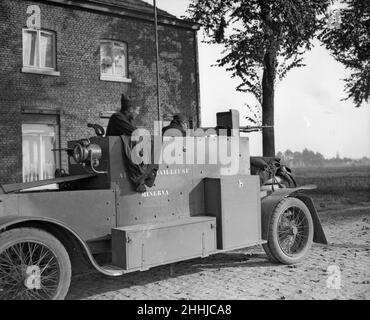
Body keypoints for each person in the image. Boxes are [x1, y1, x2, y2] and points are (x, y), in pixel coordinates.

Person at [106, 94, 158, 192]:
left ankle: (146, 175)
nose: (138, 113)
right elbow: (136, 133)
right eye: (137, 110)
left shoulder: (126, 119)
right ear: (130, 109)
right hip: (115, 157)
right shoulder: (117, 117)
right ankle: (140, 178)